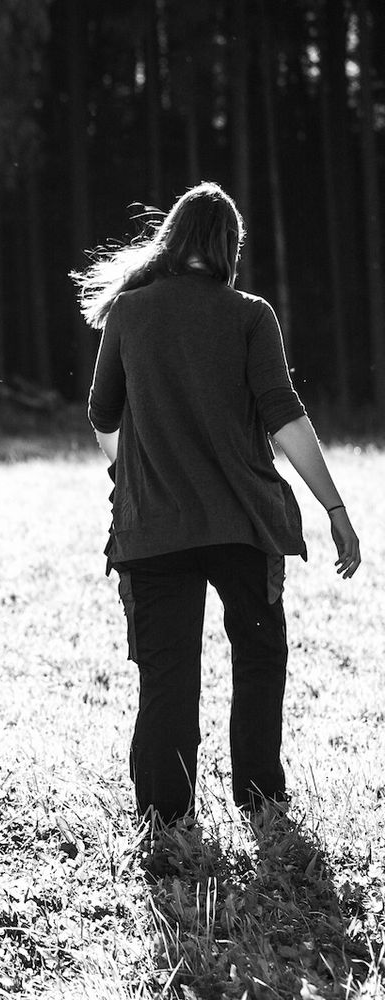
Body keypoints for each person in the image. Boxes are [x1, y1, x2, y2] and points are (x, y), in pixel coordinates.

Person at [73, 182, 361, 825]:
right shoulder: (251, 315)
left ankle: (165, 816)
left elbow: (101, 416)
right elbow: (286, 420)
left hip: (155, 528)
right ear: (229, 247)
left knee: (167, 673)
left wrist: (132, 473)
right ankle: (260, 797)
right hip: (243, 524)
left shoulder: (130, 312)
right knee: (260, 657)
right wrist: (334, 507)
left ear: (172, 241)